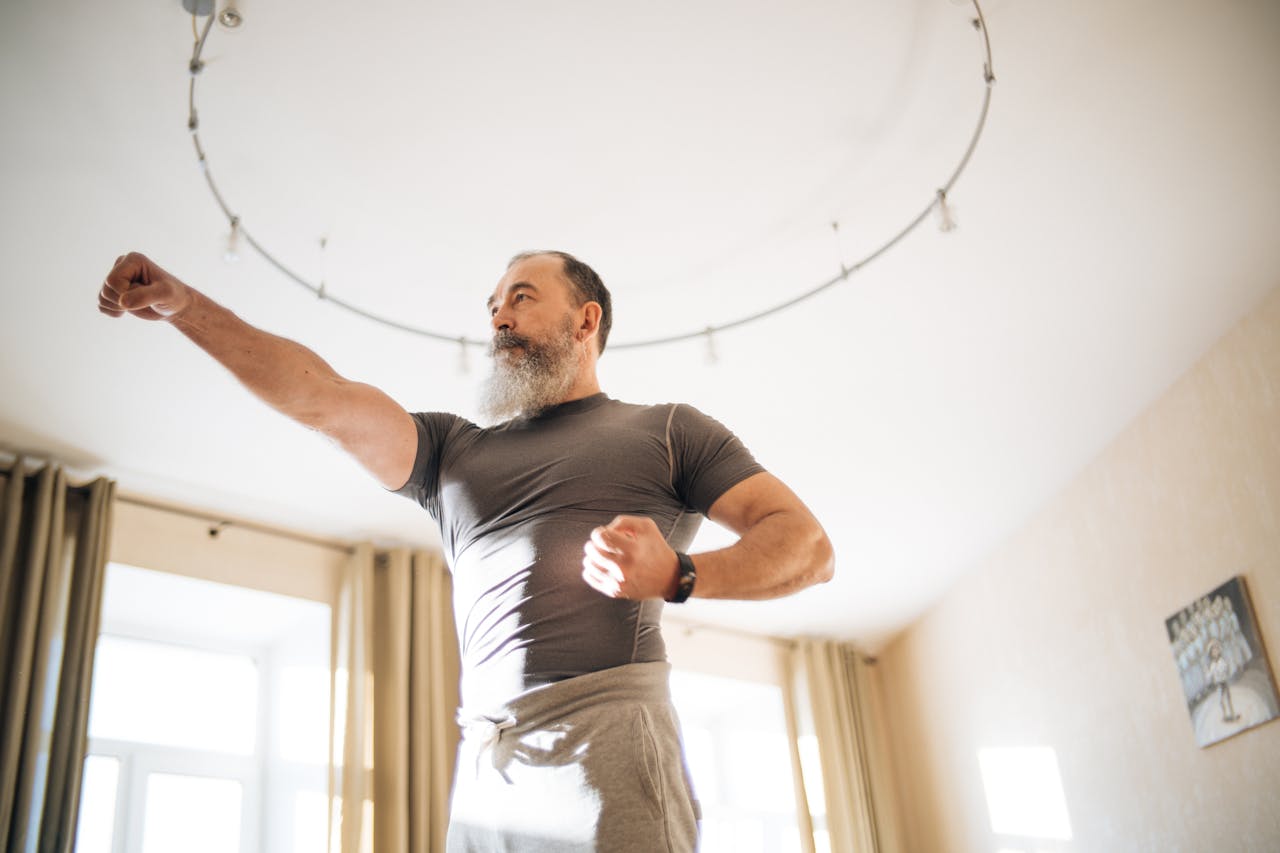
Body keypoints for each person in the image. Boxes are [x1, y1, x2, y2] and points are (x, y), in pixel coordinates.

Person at [97, 249, 835, 852]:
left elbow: (806, 545)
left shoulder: (670, 430)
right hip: (486, 766)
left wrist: (679, 573)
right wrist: (187, 308)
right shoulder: (450, 451)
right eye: (492, 307)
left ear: (586, 319)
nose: (498, 317)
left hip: (605, 744)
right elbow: (321, 396)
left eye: (521, 297)